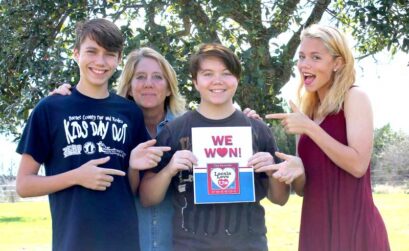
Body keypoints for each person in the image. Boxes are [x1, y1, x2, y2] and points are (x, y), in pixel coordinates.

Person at [52, 46, 263, 251]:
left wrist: (243, 123)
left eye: (158, 77)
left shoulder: (189, 131)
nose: (149, 84)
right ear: (129, 87)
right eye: (140, 77)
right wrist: (68, 100)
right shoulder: (107, 130)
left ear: (169, 86)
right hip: (128, 241)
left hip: (181, 243)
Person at [15, 18, 150, 251]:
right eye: (92, 51)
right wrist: (77, 176)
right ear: (76, 53)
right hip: (72, 242)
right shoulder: (50, 108)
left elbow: (134, 186)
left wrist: (135, 168)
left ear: (118, 59)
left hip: (123, 241)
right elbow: (24, 185)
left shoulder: (130, 112)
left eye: (109, 54)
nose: (100, 61)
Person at [139, 43, 290, 251]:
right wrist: (169, 170)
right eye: (207, 73)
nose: (217, 81)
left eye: (226, 73)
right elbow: (147, 198)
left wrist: (273, 171)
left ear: (237, 79)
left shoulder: (257, 129)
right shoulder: (174, 131)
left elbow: (280, 199)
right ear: (195, 81)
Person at [266, 24, 390, 251]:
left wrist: (310, 128)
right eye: (302, 57)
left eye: (315, 57)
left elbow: (358, 165)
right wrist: (297, 169)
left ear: (337, 63)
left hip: (354, 225)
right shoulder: (306, 113)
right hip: (316, 227)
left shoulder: (355, 97)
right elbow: (304, 189)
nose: (305, 64)